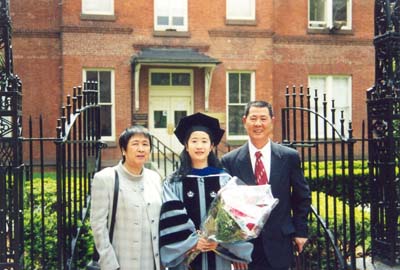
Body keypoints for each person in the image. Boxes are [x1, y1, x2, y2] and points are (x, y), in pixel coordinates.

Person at [221, 101, 311, 270]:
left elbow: (302, 196)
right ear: (244, 121)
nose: (258, 124)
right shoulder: (230, 161)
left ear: (272, 121)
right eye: (253, 118)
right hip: (246, 248)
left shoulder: (289, 157)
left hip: (280, 241)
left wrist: (301, 231)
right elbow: (227, 209)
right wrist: (234, 248)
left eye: (263, 118)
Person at [159, 112, 253, 270]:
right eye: (194, 141)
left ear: (211, 146)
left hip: (218, 256)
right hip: (186, 258)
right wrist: (194, 241)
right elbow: (172, 220)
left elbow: (236, 221)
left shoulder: (225, 181)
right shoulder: (173, 182)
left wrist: (221, 240)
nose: (199, 146)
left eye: (204, 141)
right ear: (186, 146)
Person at [90, 125, 163, 270]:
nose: (141, 149)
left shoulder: (154, 178)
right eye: (135, 144)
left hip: (151, 261)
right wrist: (110, 264)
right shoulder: (106, 178)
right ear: (123, 149)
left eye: (145, 144)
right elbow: (98, 226)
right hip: (120, 261)